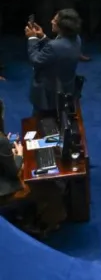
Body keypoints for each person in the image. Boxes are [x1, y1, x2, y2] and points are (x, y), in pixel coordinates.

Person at [0, 98, 67, 238]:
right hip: (3, 191)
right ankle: (45, 225)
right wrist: (18, 155)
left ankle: (29, 215)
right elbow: (13, 173)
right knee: (47, 187)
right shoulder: (1, 142)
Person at [25, 9, 81, 117]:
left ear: (62, 26)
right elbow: (59, 49)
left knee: (41, 122)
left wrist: (32, 39)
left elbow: (35, 60)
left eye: (55, 20)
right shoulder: (76, 39)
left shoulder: (54, 46)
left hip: (48, 93)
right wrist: (43, 37)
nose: (51, 21)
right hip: (66, 87)